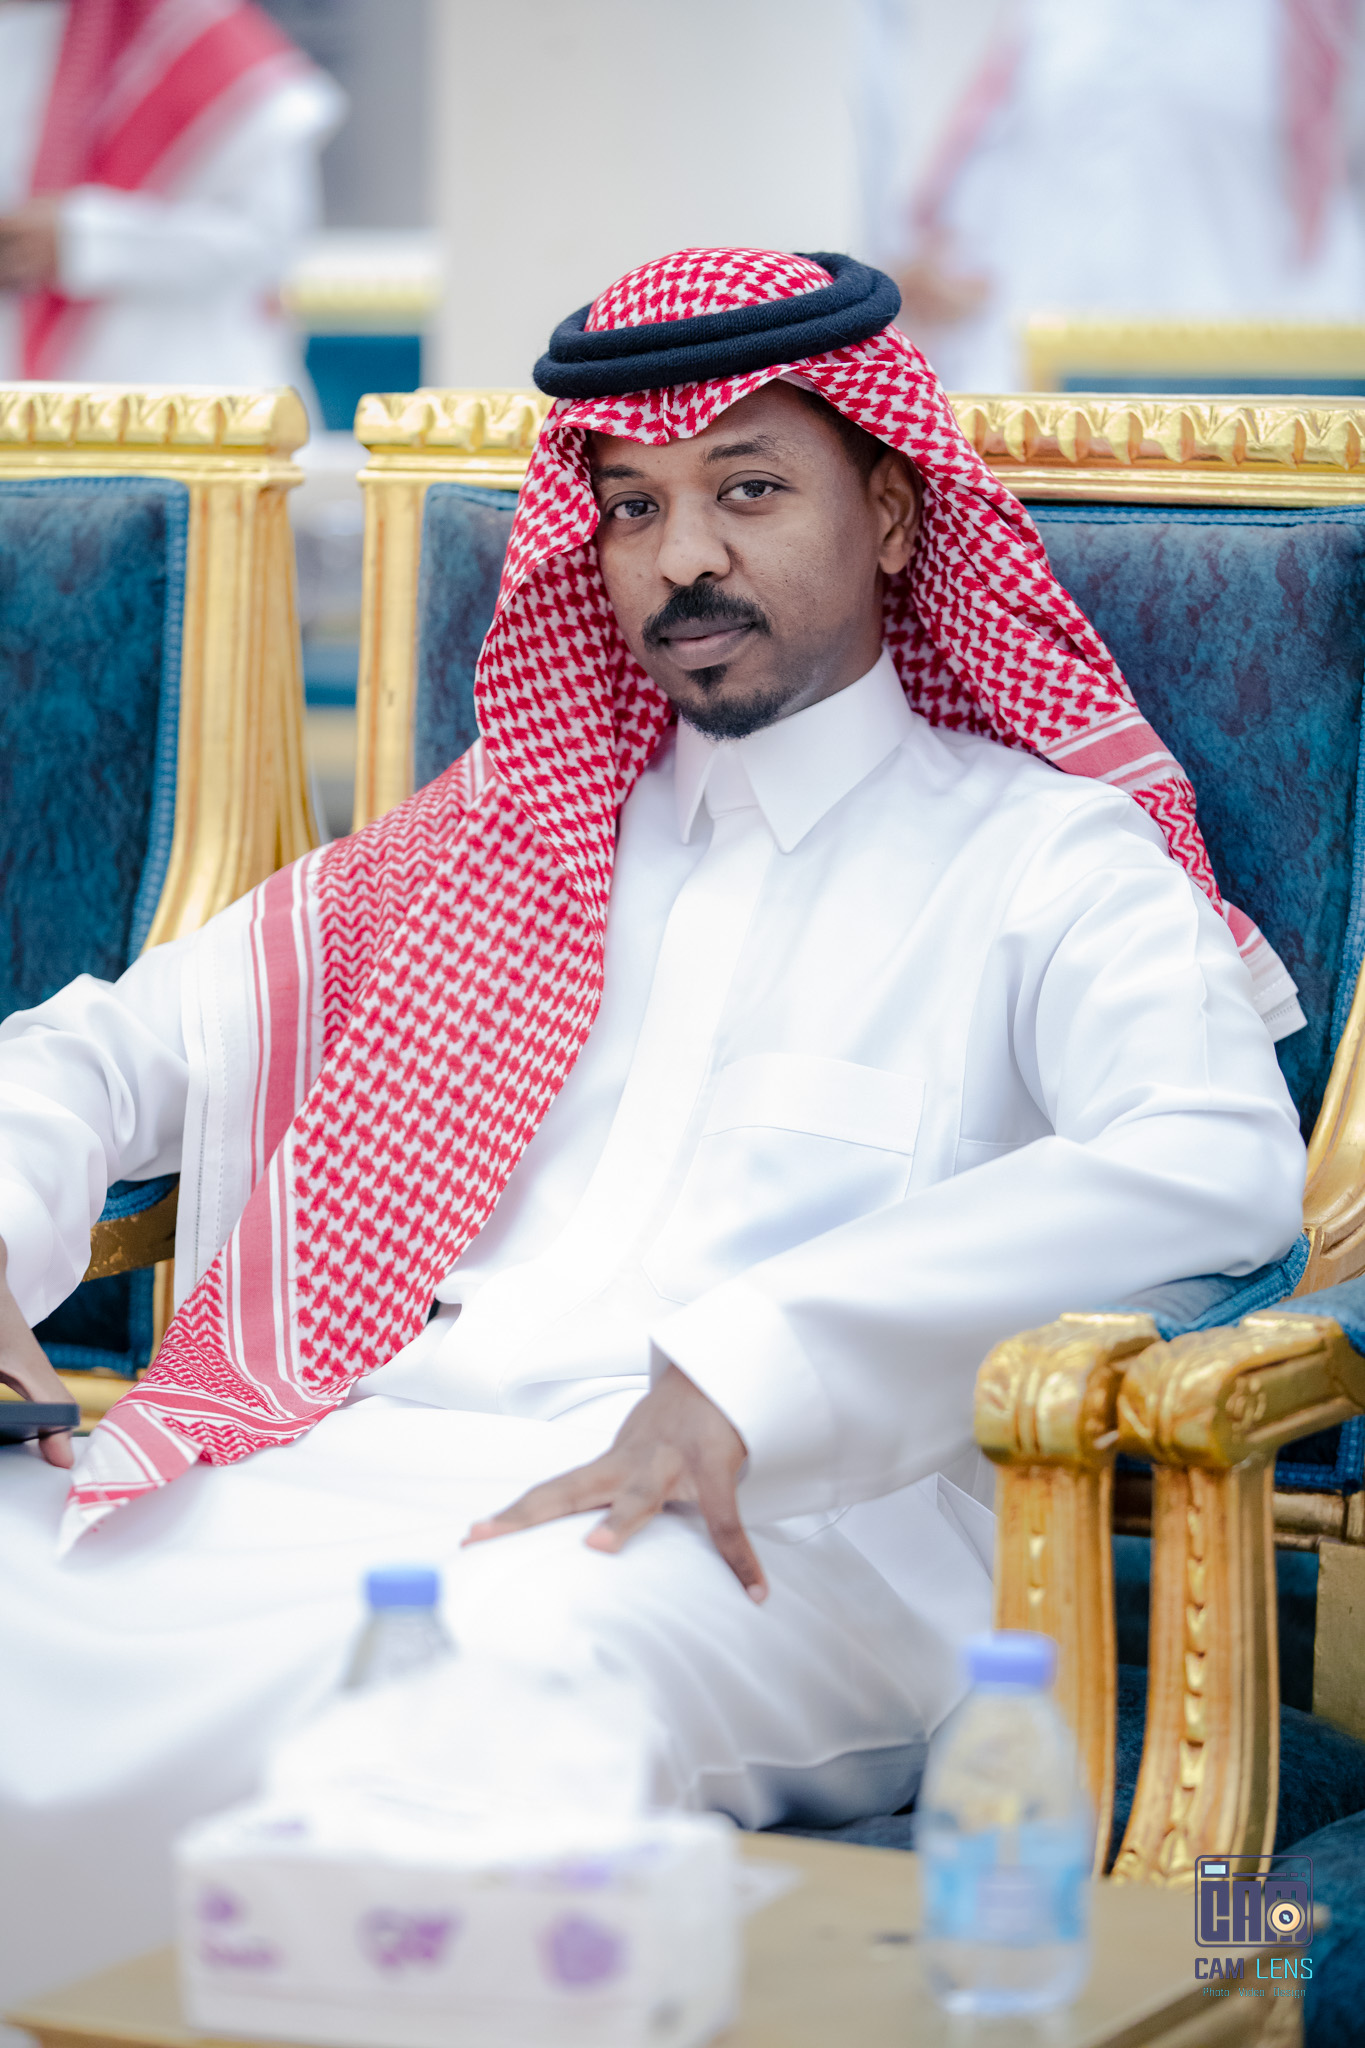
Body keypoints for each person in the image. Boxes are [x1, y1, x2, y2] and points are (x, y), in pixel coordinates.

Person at [0, 246, 1304, 2007]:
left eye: (747, 490)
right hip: (355, 1467)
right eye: (632, 507)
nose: (682, 554)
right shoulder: (501, 841)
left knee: (481, 1689)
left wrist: (756, 1363)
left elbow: (1210, 1156)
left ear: (893, 515)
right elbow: (98, 1051)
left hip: (780, 1536)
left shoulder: (1040, 858)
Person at [889, 0, 1365, 390]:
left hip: (1230, 403)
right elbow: (966, 216)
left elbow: (1320, 222)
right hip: (1040, 395)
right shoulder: (1056, 19)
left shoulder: (1284, 26)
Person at [0, 0, 344, 387]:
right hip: (40, 394)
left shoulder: (205, 39)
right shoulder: (25, 32)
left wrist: (84, 240)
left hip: (199, 392)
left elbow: (268, 236)